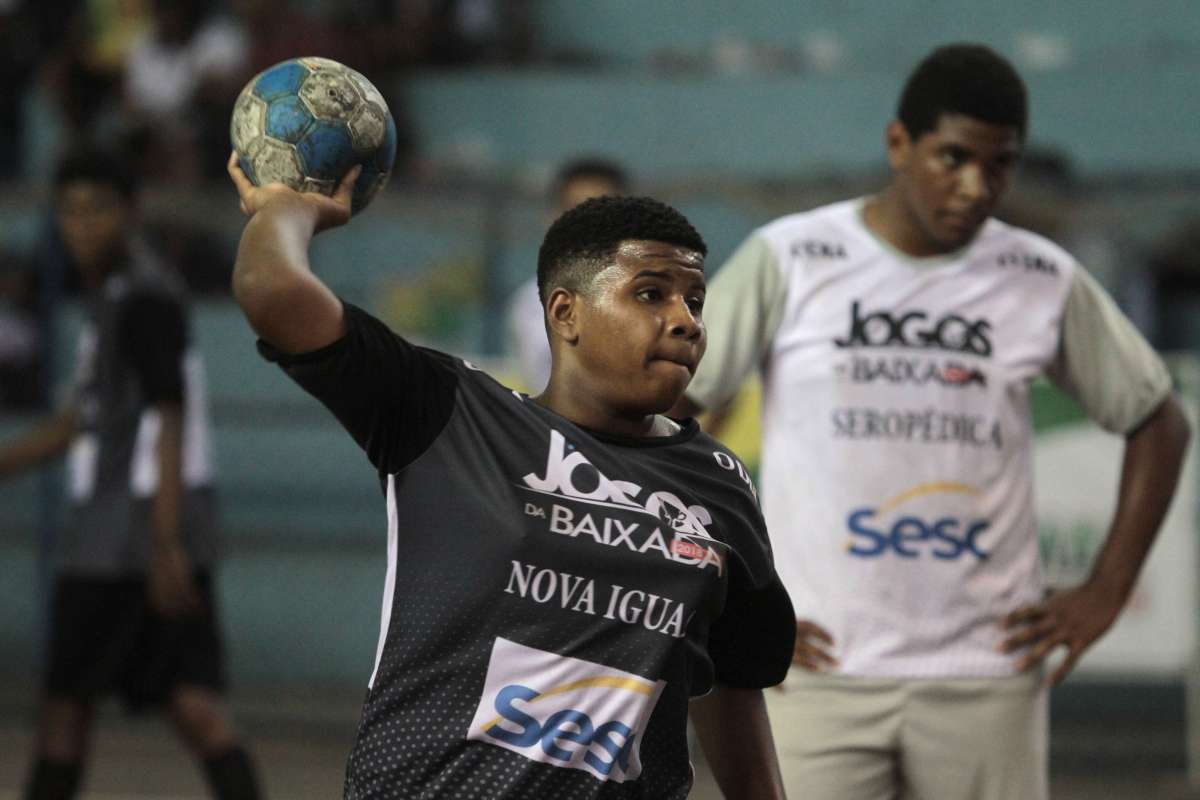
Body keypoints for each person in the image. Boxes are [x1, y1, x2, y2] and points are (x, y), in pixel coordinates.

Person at [671, 43, 1191, 800]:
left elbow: (1159, 419)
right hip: (815, 671)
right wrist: (729, 589)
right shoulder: (795, 257)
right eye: (952, 158)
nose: (976, 186)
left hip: (986, 675)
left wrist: (1107, 587)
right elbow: (668, 414)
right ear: (898, 144)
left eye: (1000, 164)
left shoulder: (1037, 276)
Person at [226, 152, 794, 798]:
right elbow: (272, 293)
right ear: (565, 313)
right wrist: (287, 209)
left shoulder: (717, 483)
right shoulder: (451, 414)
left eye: (694, 300)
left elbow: (726, 680)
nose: (686, 320)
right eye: (650, 293)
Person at [0, 149, 260, 800]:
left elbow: (169, 415)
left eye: (97, 210)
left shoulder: (144, 298)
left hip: (125, 542)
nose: (82, 225)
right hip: (124, 537)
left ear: (130, 214)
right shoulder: (112, 297)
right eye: (69, 211)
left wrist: (166, 540)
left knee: (69, 712)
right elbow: (79, 422)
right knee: (185, 704)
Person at [505, 158, 629, 392]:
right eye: (573, 211)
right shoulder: (528, 304)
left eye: (600, 212)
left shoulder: (659, 299)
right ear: (551, 217)